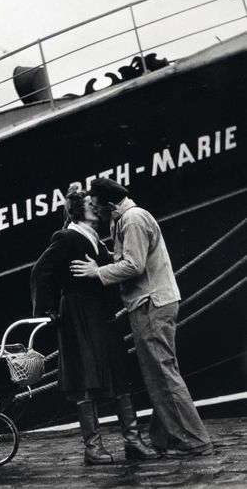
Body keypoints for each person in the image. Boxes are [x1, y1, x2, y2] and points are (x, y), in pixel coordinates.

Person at [70, 177, 213, 459]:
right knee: (159, 372)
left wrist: (96, 272)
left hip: (151, 303)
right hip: (153, 301)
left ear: (110, 204)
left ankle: (194, 441)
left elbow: (134, 265)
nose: (95, 212)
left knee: (162, 373)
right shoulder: (124, 218)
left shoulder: (132, 220)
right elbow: (127, 256)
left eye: (97, 207)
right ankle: (163, 437)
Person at [31, 185, 158, 465]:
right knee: (86, 377)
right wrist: (48, 310)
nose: (96, 207)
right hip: (77, 314)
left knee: (118, 372)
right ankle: (93, 447)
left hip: (100, 312)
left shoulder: (95, 239)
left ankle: (132, 441)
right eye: (90, 203)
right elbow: (40, 271)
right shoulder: (66, 237)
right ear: (77, 210)